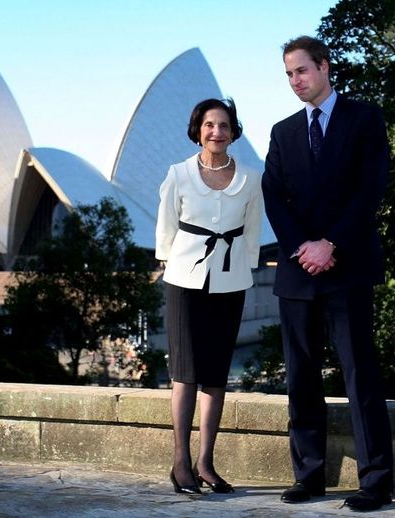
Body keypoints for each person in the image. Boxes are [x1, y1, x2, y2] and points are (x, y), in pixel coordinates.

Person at [261, 35, 394, 512]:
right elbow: (273, 196)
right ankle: (308, 476)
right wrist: (304, 247)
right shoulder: (283, 132)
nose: (295, 81)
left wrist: (330, 243)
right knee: (300, 376)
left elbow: (369, 188)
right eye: (289, 75)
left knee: (360, 375)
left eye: (301, 71)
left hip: (349, 266)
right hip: (298, 272)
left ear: (324, 67)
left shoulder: (364, 118)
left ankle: (375, 482)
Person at [156, 98, 263, 495]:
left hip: (230, 280)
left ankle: (206, 463)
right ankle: (180, 462)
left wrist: (245, 268)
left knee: (216, 374)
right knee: (185, 372)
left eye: (224, 125)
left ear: (234, 132)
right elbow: (166, 227)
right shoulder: (179, 173)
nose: (216, 131)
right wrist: (169, 265)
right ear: (197, 129)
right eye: (209, 124)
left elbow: (252, 230)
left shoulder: (251, 177)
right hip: (184, 279)